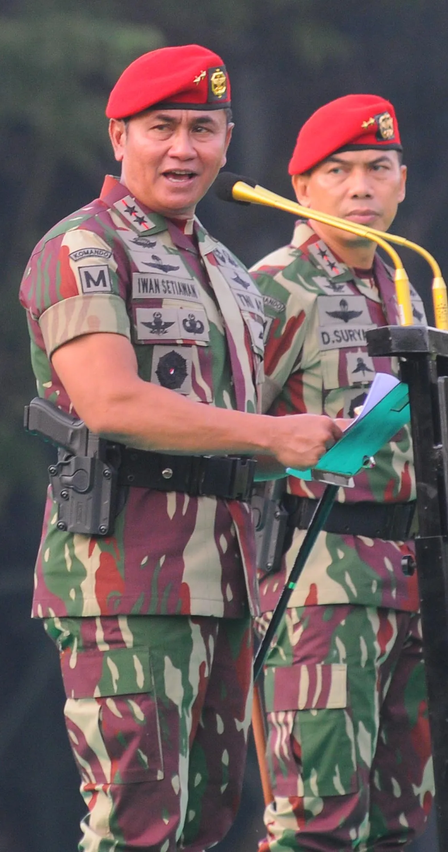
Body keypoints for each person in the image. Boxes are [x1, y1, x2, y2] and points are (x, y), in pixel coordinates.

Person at [18, 45, 341, 852]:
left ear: (229, 141)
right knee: (134, 825)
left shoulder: (233, 273)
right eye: (161, 127)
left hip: (228, 579)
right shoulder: (84, 247)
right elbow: (112, 401)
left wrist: (330, 441)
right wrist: (275, 433)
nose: (183, 148)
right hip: (126, 576)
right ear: (118, 135)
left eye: (204, 128)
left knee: (202, 824)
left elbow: (239, 424)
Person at [250, 95, 434, 851]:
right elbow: (228, 428)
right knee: (316, 824)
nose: (361, 187)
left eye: (377, 169)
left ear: (401, 181)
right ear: (303, 187)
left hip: (409, 576)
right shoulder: (275, 286)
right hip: (316, 583)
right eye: (339, 170)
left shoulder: (401, 283)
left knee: (400, 821)